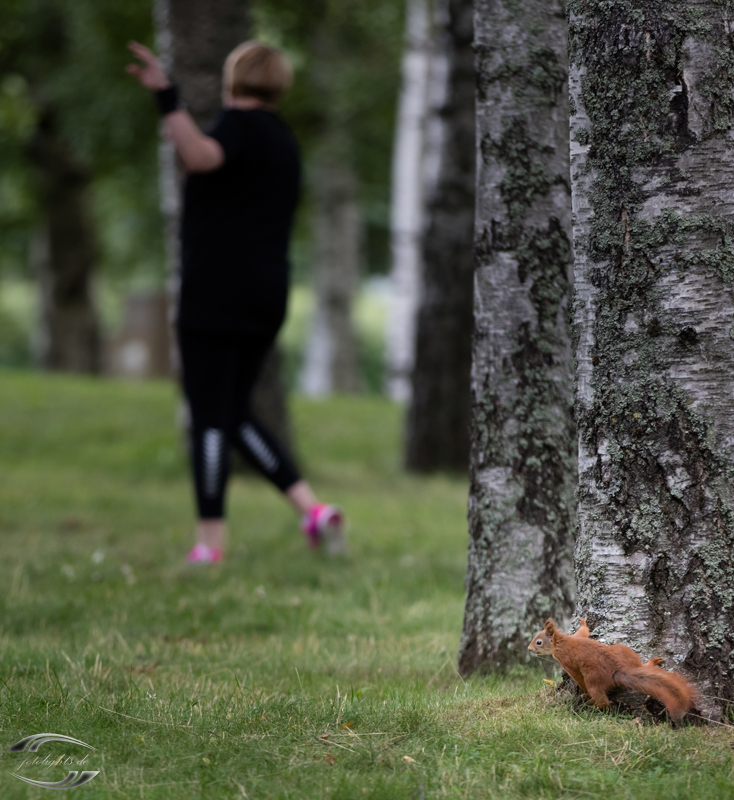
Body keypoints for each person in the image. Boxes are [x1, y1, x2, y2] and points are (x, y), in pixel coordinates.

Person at [126, 40, 345, 562]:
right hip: (266, 296)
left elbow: (201, 155)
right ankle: (312, 511)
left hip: (215, 295)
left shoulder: (238, 125)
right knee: (234, 414)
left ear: (234, 79)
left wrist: (166, 99)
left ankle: (210, 545)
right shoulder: (284, 140)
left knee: (208, 417)